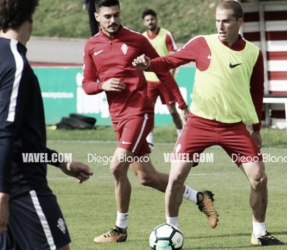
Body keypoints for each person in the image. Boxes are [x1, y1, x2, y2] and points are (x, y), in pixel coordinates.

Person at [133, 0, 284, 246]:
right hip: (198, 123)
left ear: (239, 22)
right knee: (176, 177)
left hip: (235, 127)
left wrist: (256, 128)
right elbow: (172, 60)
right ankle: (172, 230)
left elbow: (257, 92)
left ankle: (259, 232)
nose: (220, 26)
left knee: (259, 178)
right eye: (217, 20)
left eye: (226, 21)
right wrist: (149, 64)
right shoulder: (202, 43)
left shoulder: (254, 54)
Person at [82, 0, 218, 244]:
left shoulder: (137, 40)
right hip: (118, 117)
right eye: (107, 16)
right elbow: (87, 83)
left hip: (139, 112)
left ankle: (120, 228)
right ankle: (200, 197)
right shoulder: (92, 46)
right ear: (97, 17)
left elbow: (162, 69)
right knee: (147, 177)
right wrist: (102, 85)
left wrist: (182, 105)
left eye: (116, 15)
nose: (113, 20)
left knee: (115, 167)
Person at [0, 0, 94, 249]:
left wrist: (60, 161)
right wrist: (3, 192)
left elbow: (19, 139)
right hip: (21, 188)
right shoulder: (16, 64)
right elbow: (5, 132)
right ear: (30, 17)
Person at [141, 9, 183, 149]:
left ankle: (181, 136)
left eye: (152, 19)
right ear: (144, 22)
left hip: (165, 80)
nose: (150, 22)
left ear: (156, 19)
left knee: (172, 110)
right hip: (149, 82)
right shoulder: (142, 38)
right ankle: (150, 141)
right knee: (149, 111)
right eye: (147, 20)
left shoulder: (166, 34)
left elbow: (173, 54)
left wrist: (170, 75)